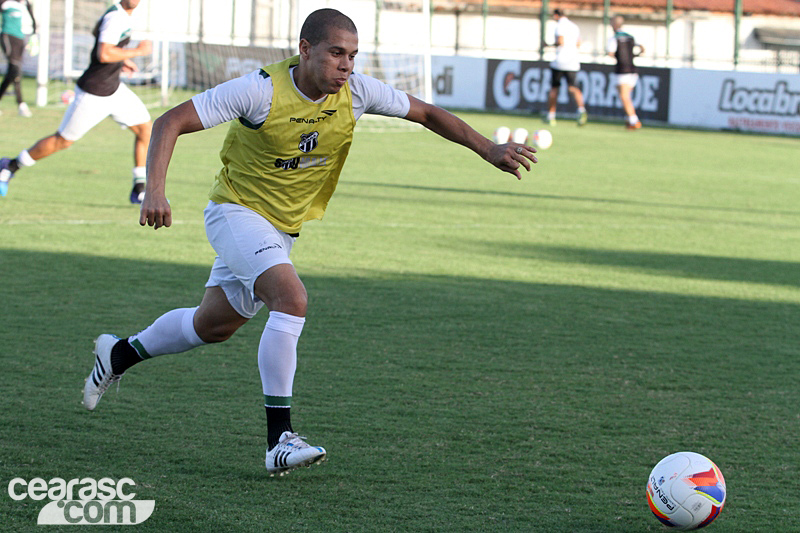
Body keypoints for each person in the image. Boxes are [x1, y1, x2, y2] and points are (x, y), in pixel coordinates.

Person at [81, 8, 537, 477]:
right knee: (291, 299)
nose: (346, 65)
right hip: (236, 211)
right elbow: (170, 121)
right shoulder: (259, 90)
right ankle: (279, 440)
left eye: (353, 55)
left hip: (281, 228)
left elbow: (425, 113)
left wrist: (489, 149)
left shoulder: (358, 91)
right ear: (305, 49)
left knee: (212, 326)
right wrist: (154, 191)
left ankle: (118, 354)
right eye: (336, 53)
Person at [0, 0, 152, 201]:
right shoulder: (115, 17)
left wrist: (122, 59)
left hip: (114, 89)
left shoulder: (119, 14)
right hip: (94, 93)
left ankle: (139, 189)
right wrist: (138, 51)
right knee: (62, 141)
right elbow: (104, 53)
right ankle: (10, 166)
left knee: (145, 129)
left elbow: (98, 36)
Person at [545, 8, 587, 126]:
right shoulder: (574, 26)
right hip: (572, 61)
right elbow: (578, 43)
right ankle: (581, 111)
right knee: (573, 88)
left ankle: (551, 116)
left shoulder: (559, 25)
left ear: (556, 15)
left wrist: (548, 45)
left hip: (559, 62)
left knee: (554, 88)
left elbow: (560, 41)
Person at [607, 15, 644, 130]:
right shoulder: (630, 37)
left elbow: (610, 53)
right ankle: (629, 120)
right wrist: (634, 55)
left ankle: (634, 120)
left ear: (613, 25)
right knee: (627, 97)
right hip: (633, 70)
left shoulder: (614, 38)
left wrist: (619, 57)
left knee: (624, 97)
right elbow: (642, 48)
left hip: (622, 70)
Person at [0, 0, 36, 117]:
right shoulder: (5, 2)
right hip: (7, 36)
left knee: (14, 71)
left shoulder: (24, 3)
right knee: (15, 69)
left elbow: (33, 19)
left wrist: (34, 35)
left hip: (20, 38)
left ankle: (21, 105)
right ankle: (21, 104)